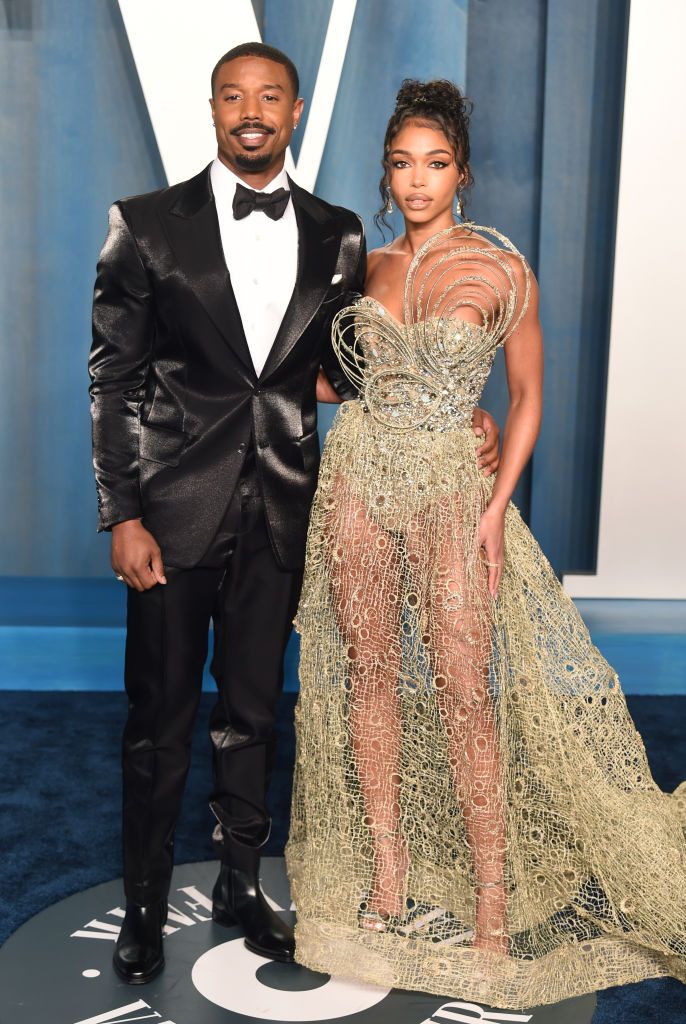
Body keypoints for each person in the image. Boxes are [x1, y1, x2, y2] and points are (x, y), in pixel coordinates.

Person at [89, 45, 500, 984]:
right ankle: (144, 908)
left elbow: (355, 368)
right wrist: (123, 514)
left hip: (285, 509)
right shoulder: (143, 225)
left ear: (295, 110)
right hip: (171, 512)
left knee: (252, 714)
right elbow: (113, 379)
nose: (252, 111)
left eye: (269, 96)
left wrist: (461, 407)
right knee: (159, 720)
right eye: (234, 96)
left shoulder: (339, 233)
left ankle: (239, 885)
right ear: (212, 108)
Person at [286, 79, 686, 1009]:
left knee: (466, 689)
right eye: (401, 163)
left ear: (461, 172)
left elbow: (530, 395)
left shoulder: (501, 268)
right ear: (386, 174)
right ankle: (389, 878)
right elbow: (338, 381)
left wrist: (498, 504)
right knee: (368, 677)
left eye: (434, 163)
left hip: (453, 496)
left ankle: (494, 893)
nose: (417, 180)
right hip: (359, 481)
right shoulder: (365, 266)